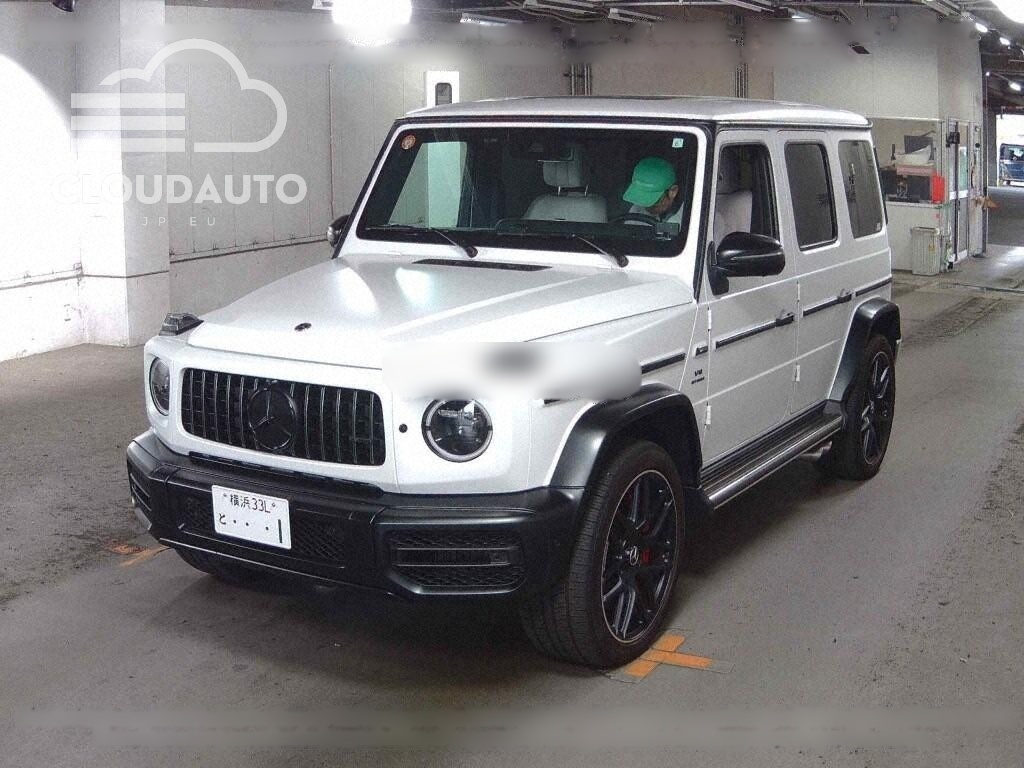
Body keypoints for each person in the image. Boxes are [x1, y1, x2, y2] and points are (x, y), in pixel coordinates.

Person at [622, 157, 683, 227]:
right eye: (642, 197)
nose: (647, 205)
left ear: (673, 192)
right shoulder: (638, 208)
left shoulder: (688, 218)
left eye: (655, 200)